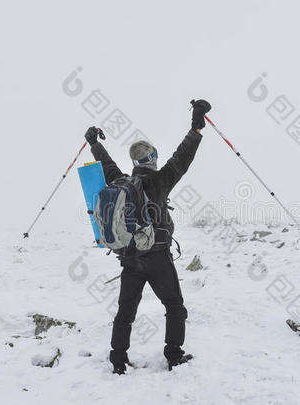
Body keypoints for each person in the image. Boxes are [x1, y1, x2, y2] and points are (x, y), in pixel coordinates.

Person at [84, 99, 212, 374]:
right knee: (175, 307)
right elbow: (183, 157)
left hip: (130, 258)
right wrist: (197, 126)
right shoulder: (159, 180)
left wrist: (94, 142)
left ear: (134, 162)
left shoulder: (120, 181)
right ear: (152, 160)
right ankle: (174, 356)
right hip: (157, 258)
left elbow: (105, 164)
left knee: (125, 312)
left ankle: (118, 361)